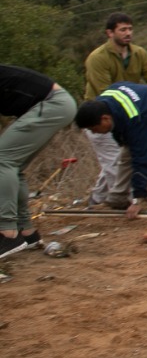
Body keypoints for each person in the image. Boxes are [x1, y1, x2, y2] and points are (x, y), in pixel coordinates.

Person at [82, 12, 147, 208]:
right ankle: (122, 203)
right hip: (101, 118)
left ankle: (98, 200)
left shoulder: (139, 53)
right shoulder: (97, 58)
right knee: (116, 161)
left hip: (129, 115)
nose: (128, 33)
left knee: (118, 160)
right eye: (122, 29)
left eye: (130, 29)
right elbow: (103, 94)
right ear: (109, 33)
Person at [73, 82, 147, 219]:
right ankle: (118, 198)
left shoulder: (135, 119)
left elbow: (142, 159)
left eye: (94, 128)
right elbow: (122, 136)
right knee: (126, 156)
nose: (95, 132)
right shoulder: (103, 105)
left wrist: (137, 200)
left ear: (105, 118)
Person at [0, 65, 76, 258]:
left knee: (3, 160)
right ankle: (27, 232)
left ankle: (6, 233)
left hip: (52, 105)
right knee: (13, 166)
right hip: (56, 105)